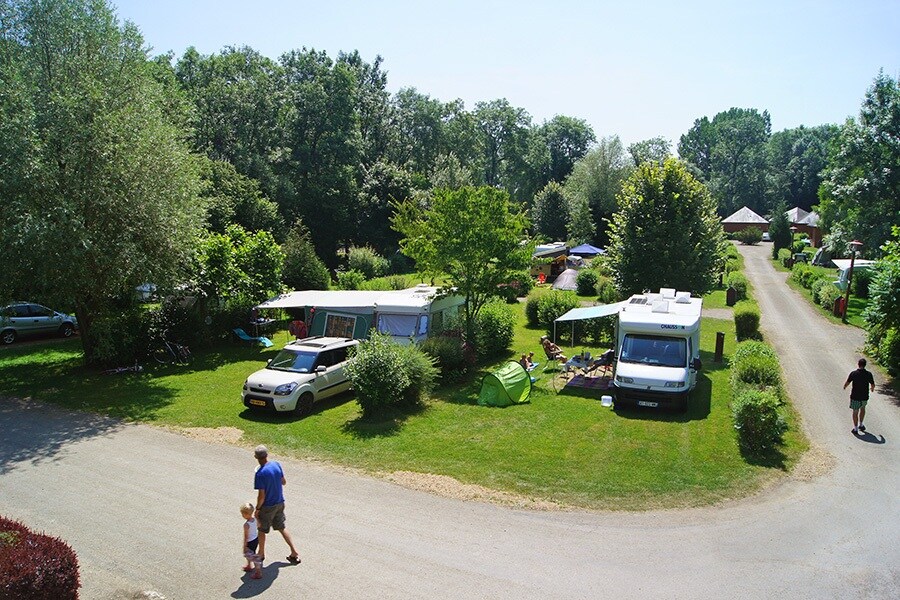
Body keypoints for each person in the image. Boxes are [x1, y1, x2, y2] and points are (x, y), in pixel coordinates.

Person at [253, 445, 301, 565]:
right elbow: (283, 482)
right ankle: (294, 552)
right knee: (281, 527)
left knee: (262, 530)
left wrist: (258, 509)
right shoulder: (276, 464)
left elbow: (261, 496)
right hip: (280, 502)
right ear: (267, 455)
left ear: (256, 457)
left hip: (268, 506)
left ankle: (261, 553)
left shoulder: (260, 474)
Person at [843, 358, 875, 434]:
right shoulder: (868, 374)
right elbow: (872, 384)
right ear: (865, 365)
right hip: (864, 396)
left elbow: (848, 382)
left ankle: (855, 428)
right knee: (863, 408)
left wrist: (845, 386)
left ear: (858, 364)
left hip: (855, 396)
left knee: (855, 411)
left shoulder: (853, 373)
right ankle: (861, 424)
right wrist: (872, 389)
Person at [240, 502, 262, 579]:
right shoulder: (255, 519)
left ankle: (258, 572)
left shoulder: (246, 525)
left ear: (246, 514)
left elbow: (246, 537)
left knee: (251, 555)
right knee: (250, 554)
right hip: (255, 539)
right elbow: (259, 525)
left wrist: (244, 546)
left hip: (250, 542)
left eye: (242, 514)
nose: (242, 515)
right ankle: (249, 565)